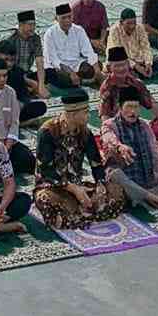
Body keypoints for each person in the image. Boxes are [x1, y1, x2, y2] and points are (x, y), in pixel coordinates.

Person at [33, 90, 126, 229]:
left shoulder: (85, 132)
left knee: (116, 193)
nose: (89, 115)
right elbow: (46, 172)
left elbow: (96, 163)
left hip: (79, 185)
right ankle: (82, 213)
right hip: (53, 186)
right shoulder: (47, 131)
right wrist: (73, 189)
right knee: (45, 200)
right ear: (72, 114)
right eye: (86, 112)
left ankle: (78, 214)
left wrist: (100, 185)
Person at [100, 87, 158, 208]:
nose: (133, 112)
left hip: (146, 180)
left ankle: (145, 197)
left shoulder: (144, 126)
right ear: (120, 108)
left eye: (136, 107)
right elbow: (108, 139)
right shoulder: (109, 125)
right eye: (129, 107)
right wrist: (120, 147)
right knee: (115, 174)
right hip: (125, 182)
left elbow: (156, 157)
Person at [42, 3, 100, 88]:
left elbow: (88, 51)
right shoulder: (50, 34)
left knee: (93, 67)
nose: (67, 21)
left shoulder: (78, 30)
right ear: (56, 19)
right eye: (63, 18)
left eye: (69, 17)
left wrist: (97, 70)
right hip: (59, 67)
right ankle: (80, 81)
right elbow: (53, 60)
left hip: (76, 64)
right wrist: (70, 73)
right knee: (62, 78)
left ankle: (80, 80)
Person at [108, 7, 158, 79]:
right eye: (128, 23)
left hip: (139, 59)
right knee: (120, 69)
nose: (132, 26)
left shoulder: (140, 27)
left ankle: (140, 74)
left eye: (134, 23)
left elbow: (146, 47)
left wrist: (148, 64)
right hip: (122, 62)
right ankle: (136, 75)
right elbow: (118, 54)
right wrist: (136, 66)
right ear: (121, 22)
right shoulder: (114, 30)